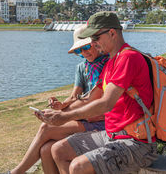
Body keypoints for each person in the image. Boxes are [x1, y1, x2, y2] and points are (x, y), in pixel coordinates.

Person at [38, 11, 157, 174]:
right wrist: (58, 111)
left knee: (78, 166)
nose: (93, 44)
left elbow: (106, 103)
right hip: (112, 135)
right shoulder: (111, 62)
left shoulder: (128, 58)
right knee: (59, 150)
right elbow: (91, 97)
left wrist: (65, 117)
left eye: (95, 38)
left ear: (112, 33)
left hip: (135, 142)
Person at [9, 25, 109, 174]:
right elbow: (75, 96)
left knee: (46, 128)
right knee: (45, 149)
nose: (84, 52)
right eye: (79, 50)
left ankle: (17, 172)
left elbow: (93, 99)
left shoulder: (107, 65)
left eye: (87, 47)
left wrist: (61, 115)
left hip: (99, 120)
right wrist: (60, 105)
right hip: (82, 117)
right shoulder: (83, 68)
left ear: (96, 43)